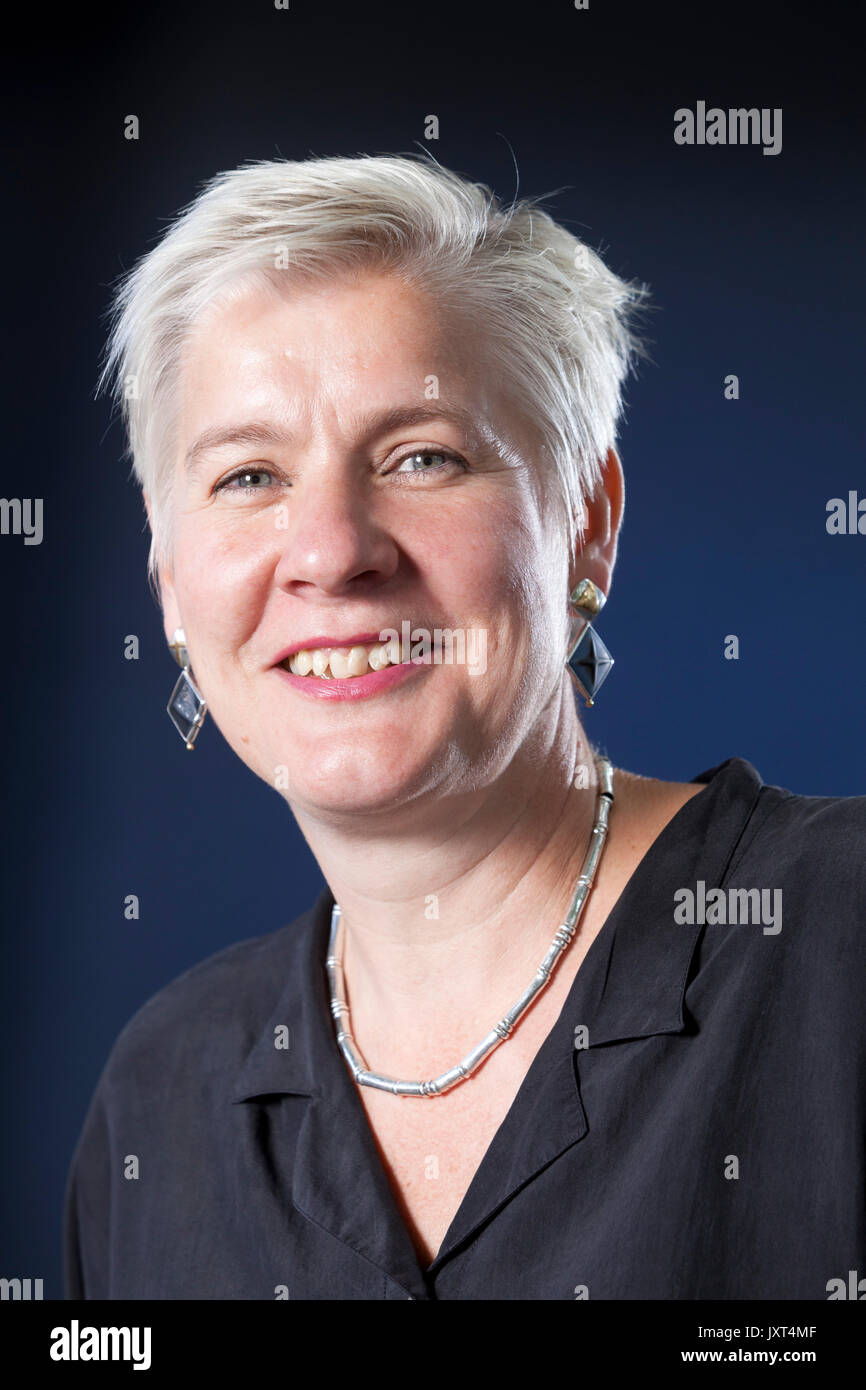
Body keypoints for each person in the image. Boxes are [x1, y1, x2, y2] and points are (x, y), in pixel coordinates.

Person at [64, 153, 865, 1300]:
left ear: (585, 524)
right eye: (248, 476)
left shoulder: (837, 942)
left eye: (421, 457)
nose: (333, 550)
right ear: (167, 578)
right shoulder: (161, 1095)